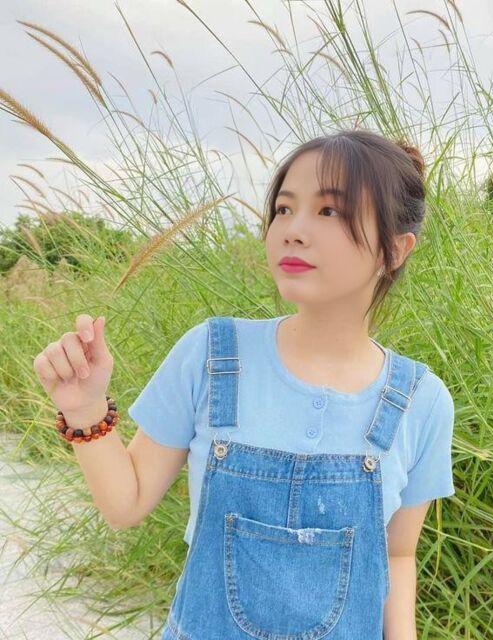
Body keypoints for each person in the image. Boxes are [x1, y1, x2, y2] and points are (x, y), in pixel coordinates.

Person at [33, 128, 455, 639]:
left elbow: (398, 554)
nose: (293, 230)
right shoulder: (213, 355)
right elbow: (127, 503)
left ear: (395, 249)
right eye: (284, 208)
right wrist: (84, 408)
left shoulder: (420, 400)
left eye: (329, 211)